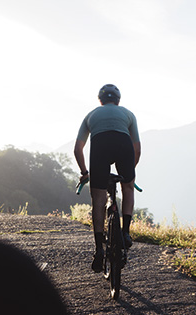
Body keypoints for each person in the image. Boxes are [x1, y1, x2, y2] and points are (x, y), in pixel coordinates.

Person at [74, 84, 141, 273]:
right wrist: (129, 174)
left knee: (98, 198)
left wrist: (85, 172)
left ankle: (98, 250)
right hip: (123, 146)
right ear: (118, 100)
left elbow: (77, 149)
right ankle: (126, 233)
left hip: (100, 147)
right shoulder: (128, 114)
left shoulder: (91, 115)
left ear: (100, 100)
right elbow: (137, 149)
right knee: (128, 188)